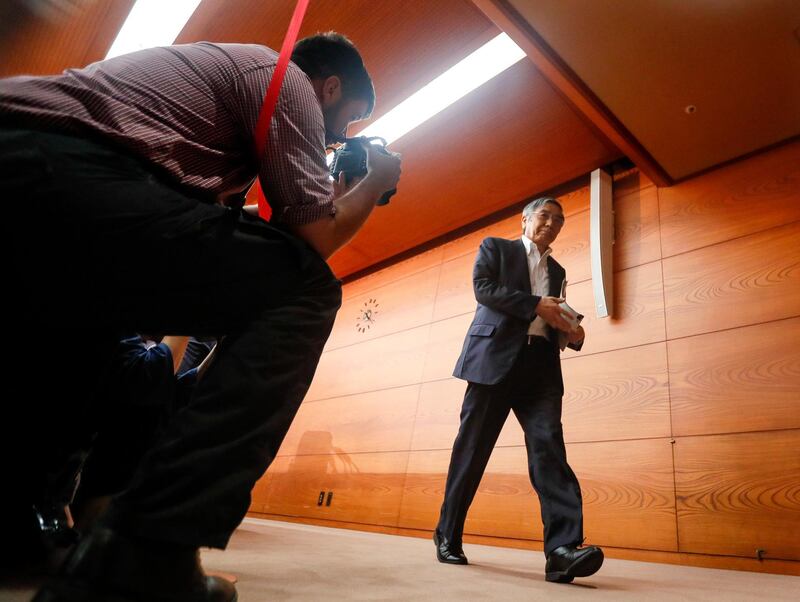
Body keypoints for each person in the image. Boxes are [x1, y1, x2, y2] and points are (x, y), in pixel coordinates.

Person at [0, 31, 401, 601]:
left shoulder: (209, 97)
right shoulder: (282, 76)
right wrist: (375, 182)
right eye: (348, 121)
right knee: (305, 289)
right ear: (330, 87)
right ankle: (144, 552)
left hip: (30, 171)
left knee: (83, 332)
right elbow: (309, 237)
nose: (340, 137)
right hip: (71, 172)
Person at [433, 197, 603, 584]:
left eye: (558, 220)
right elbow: (484, 289)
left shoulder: (557, 269)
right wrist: (535, 305)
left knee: (549, 450)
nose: (552, 223)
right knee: (471, 452)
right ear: (525, 219)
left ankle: (561, 551)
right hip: (493, 361)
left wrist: (572, 330)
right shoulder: (496, 247)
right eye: (545, 216)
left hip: (540, 368)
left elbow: (551, 310)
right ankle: (448, 534)